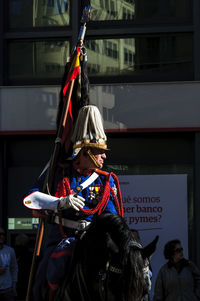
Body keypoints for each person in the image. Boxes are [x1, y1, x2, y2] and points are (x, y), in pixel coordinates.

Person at [23, 105, 123, 300]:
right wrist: (60, 203)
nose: (104, 156)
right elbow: (30, 198)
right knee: (44, 279)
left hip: (94, 239)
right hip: (62, 237)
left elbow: (112, 216)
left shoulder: (106, 179)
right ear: (85, 152)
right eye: (99, 151)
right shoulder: (58, 172)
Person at [0, 227, 18, 301]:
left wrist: (14, 285)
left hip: (7, 289)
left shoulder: (10, 250)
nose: (2, 236)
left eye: (3, 234)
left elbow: (14, 268)